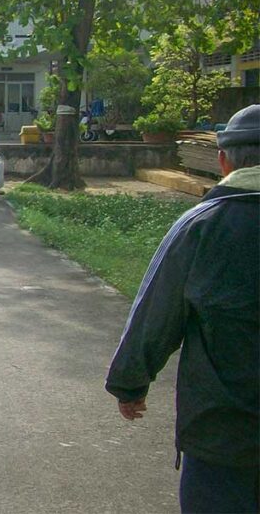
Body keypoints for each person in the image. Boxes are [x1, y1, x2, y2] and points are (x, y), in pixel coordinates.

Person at [106, 103, 259, 514]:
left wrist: (130, 384)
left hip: (222, 432)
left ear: (224, 160)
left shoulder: (201, 226)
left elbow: (158, 312)